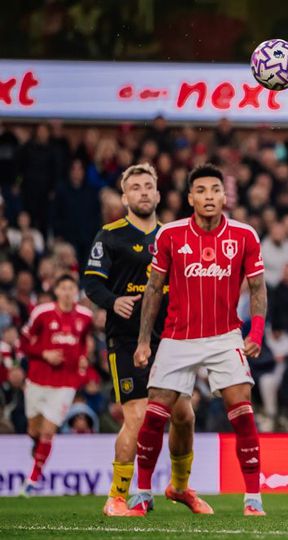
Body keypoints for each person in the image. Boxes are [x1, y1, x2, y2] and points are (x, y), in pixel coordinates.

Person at [126, 164, 268, 517]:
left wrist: (256, 333)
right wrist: (144, 342)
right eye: (201, 191)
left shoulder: (244, 235)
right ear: (190, 198)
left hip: (225, 336)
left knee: (242, 408)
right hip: (178, 337)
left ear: (224, 196)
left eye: (215, 190)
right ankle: (142, 493)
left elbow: (257, 287)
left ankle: (253, 498)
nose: (209, 197)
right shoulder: (170, 235)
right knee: (156, 412)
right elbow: (153, 289)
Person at [83, 163, 205, 516]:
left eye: (148, 186)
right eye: (135, 187)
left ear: (158, 193)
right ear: (125, 198)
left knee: (184, 415)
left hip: (170, 339)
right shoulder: (110, 235)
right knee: (137, 418)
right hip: (125, 338)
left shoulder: (174, 235)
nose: (143, 192)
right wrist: (113, 301)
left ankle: (179, 487)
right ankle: (117, 497)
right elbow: (91, 283)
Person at [18, 274, 93, 496]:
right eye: (64, 288)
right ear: (57, 291)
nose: (68, 292)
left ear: (76, 292)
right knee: (34, 430)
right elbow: (23, 343)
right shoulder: (41, 313)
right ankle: (37, 448)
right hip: (37, 380)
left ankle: (32, 481)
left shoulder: (85, 316)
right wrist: (45, 354)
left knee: (48, 432)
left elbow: (84, 342)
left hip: (65, 384)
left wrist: (83, 358)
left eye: (72, 288)